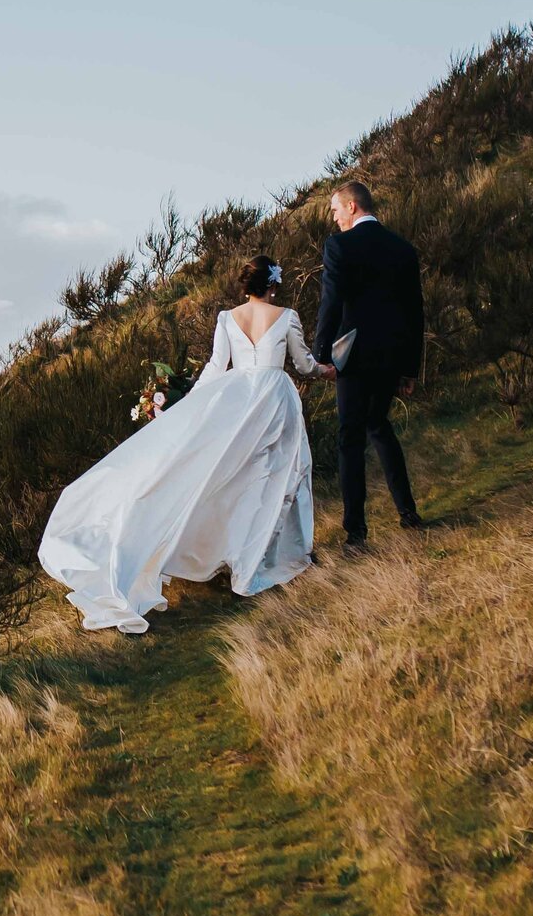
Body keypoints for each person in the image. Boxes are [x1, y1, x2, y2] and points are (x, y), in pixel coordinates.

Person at [38, 255, 334, 634]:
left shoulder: (228, 318)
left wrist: (192, 403)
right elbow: (304, 364)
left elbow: (216, 366)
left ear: (246, 286)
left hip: (240, 399)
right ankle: (261, 557)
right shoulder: (287, 316)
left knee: (235, 480)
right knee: (280, 477)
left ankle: (240, 555)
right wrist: (326, 371)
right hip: (275, 400)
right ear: (273, 284)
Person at [314, 179, 427, 550]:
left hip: (355, 357)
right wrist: (410, 368)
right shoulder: (403, 249)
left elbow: (331, 303)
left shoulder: (339, 246)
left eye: (334, 210)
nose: (333, 219)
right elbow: (415, 313)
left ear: (351, 207)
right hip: (393, 356)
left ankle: (356, 532)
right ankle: (408, 512)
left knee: (350, 438)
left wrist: (320, 355)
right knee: (379, 424)